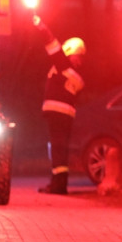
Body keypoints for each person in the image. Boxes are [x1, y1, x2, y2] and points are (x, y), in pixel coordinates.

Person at [34, 14, 86, 195]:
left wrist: (42, 27)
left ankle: (58, 186)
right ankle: (59, 183)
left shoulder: (63, 66)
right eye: (78, 56)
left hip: (57, 113)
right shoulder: (75, 73)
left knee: (57, 149)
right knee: (60, 149)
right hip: (66, 115)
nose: (79, 59)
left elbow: (52, 46)